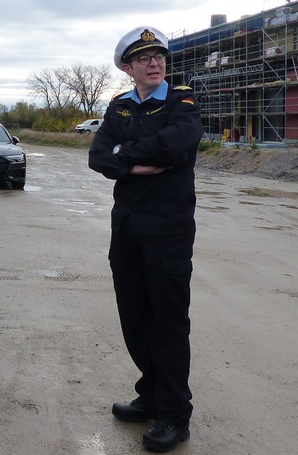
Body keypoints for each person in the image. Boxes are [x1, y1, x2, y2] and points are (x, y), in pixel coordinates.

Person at [87, 26, 202, 452]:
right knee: (134, 316)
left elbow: (177, 146)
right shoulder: (118, 107)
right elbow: (97, 156)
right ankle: (151, 395)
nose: (154, 63)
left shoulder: (181, 101)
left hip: (168, 230)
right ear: (128, 67)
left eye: (158, 56)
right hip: (128, 230)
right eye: (144, 58)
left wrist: (124, 155)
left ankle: (174, 414)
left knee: (169, 321)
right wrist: (132, 164)